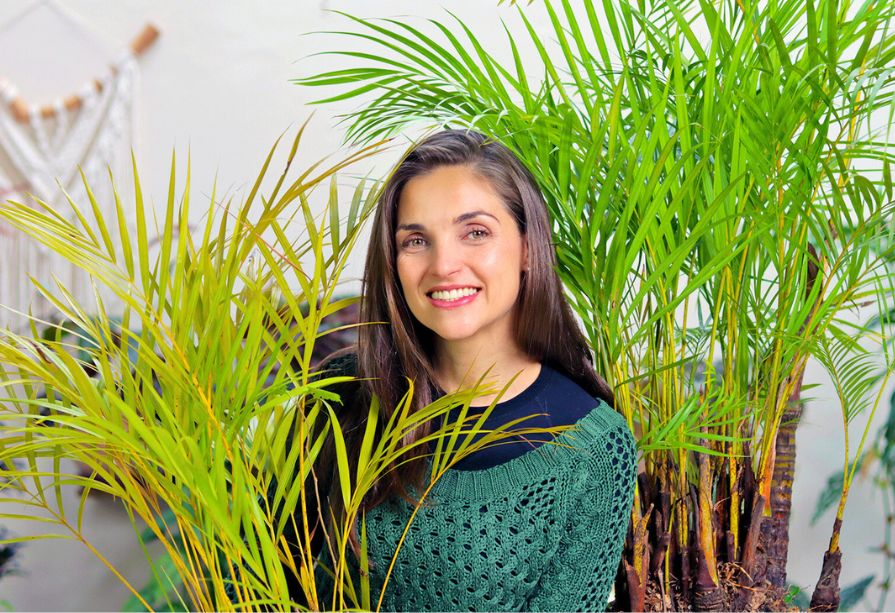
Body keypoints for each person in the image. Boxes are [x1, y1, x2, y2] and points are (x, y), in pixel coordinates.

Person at [310, 129, 637, 612]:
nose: (444, 264)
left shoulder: (594, 450)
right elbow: (263, 574)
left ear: (528, 247)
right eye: (416, 240)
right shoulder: (345, 392)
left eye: (475, 232)